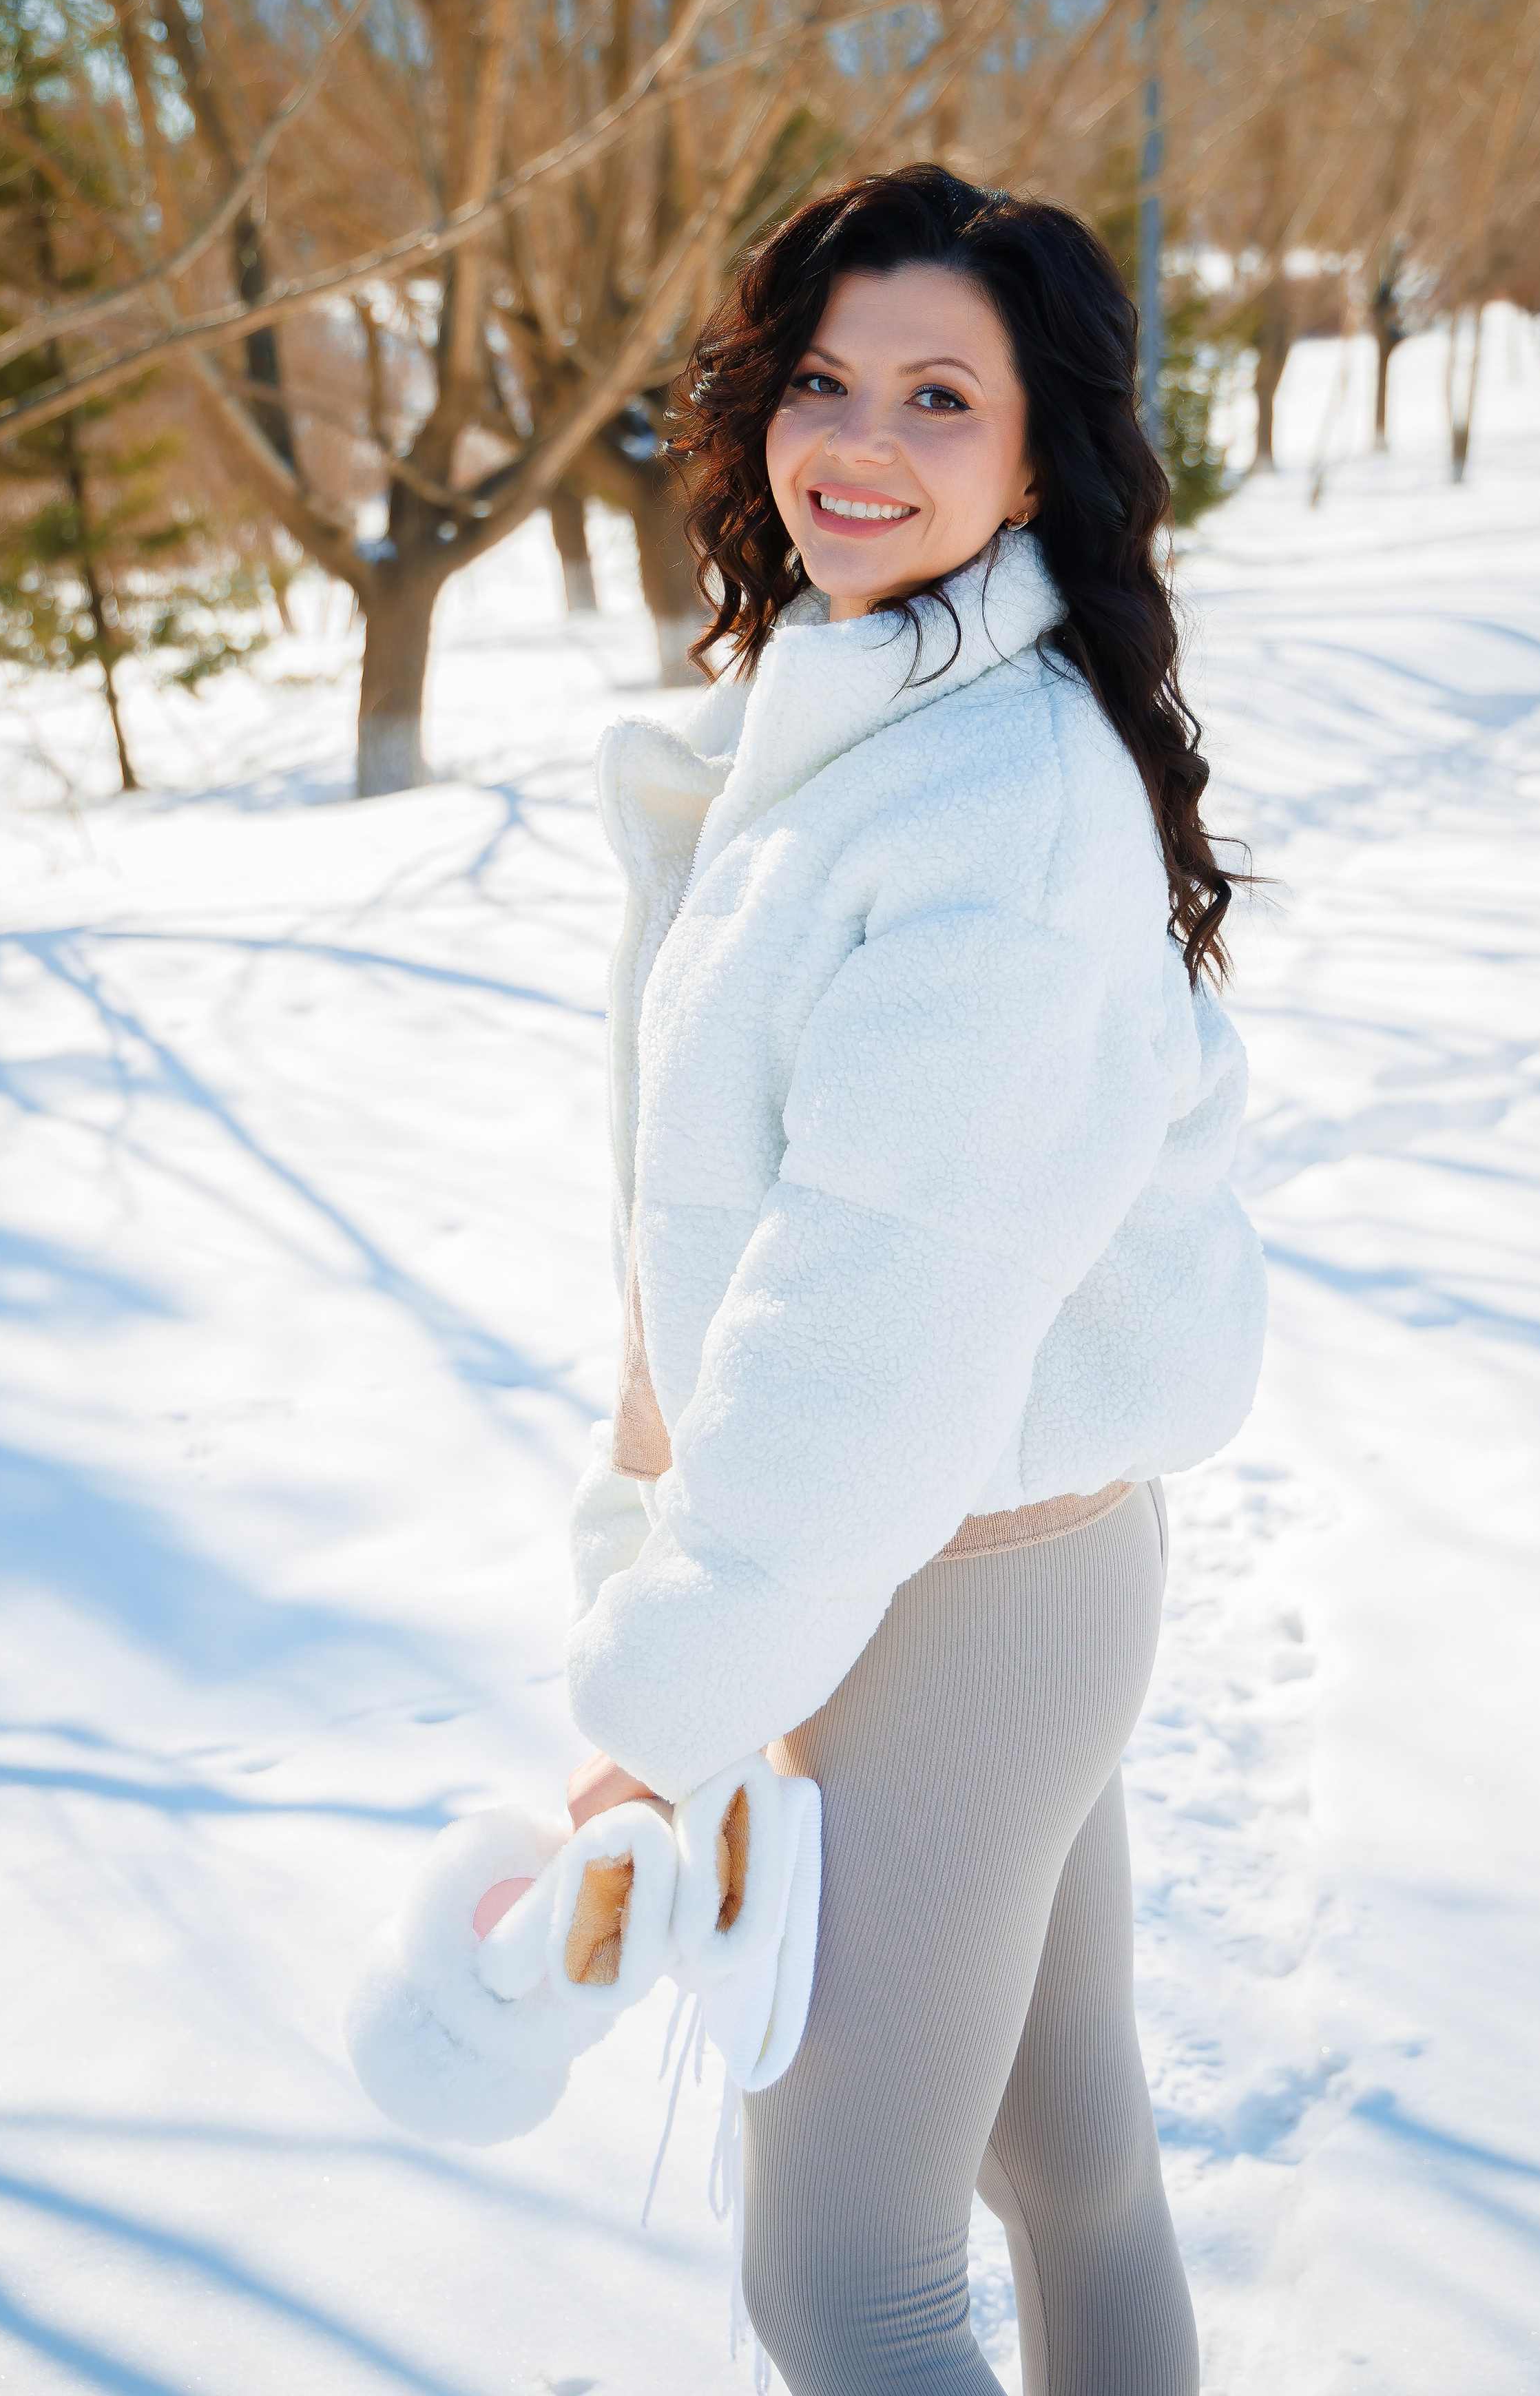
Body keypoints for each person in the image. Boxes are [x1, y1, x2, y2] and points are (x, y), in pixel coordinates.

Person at [562, 165, 1265, 2396]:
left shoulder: (987, 817)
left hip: (936, 1585)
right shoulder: (859, 718)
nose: (855, 441)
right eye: (824, 380)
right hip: (980, 1567)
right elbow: (735, 1216)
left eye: (937, 395)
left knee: (843, 2285)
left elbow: (873, 1334)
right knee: (1073, 2176)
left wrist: (652, 1716)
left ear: (1041, 447)